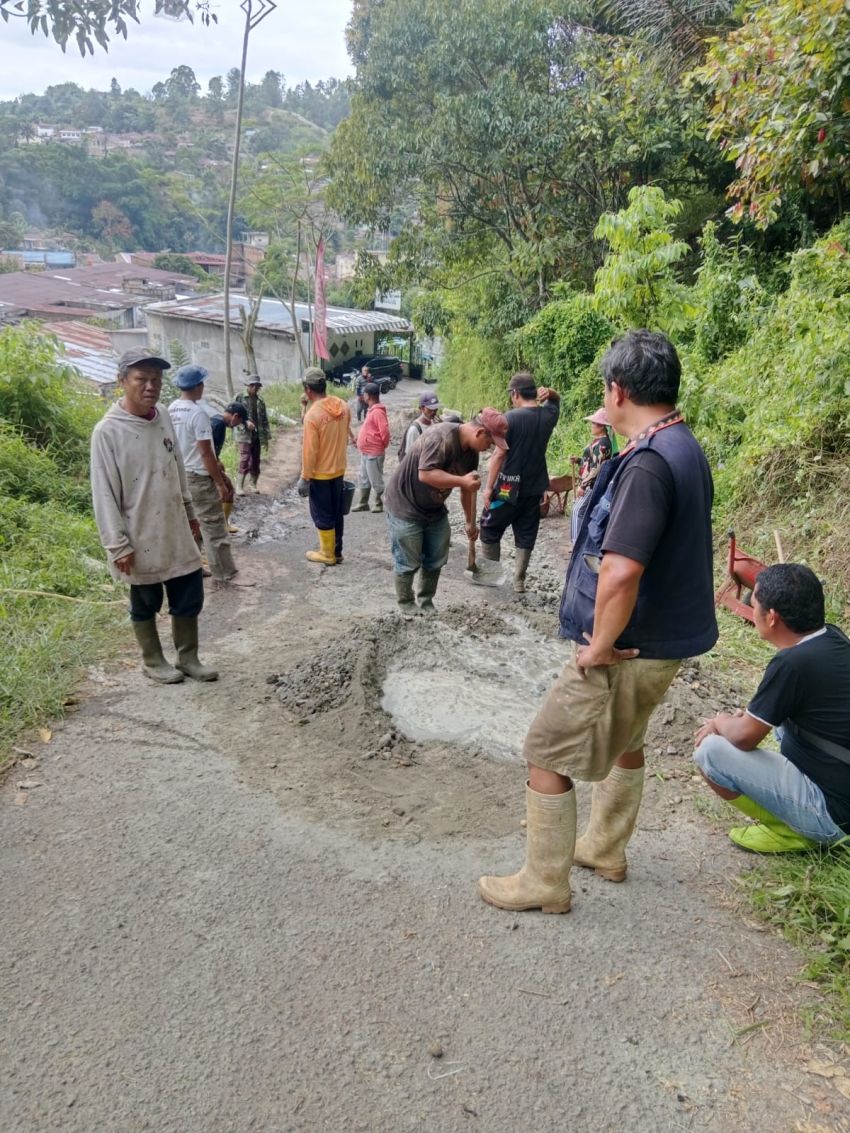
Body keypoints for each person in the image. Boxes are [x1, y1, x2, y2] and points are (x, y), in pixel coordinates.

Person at [478, 329, 717, 914]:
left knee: (545, 750)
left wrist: (598, 647)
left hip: (627, 646)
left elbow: (619, 571)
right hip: (664, 641)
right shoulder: (684, 445)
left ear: (618, 391)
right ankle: (605, 849)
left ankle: (544, 881)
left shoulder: (647, 466)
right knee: (627, 739)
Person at [694, 564, 850, 853]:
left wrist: (720, 721)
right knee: (773, 720)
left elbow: (744, 737)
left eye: (754, 605)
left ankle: (794, 832)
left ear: (772, 617)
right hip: (841, 781)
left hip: (835, 817)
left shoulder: (791, 664)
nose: (751, 611)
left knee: (710, 751)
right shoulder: (832, 637)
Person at [90, 349, 217, 684]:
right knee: (146, 599)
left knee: (190, 591)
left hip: (174, 524)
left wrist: (189, 511)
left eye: (156, 380)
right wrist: (117, 544)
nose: (150, 387)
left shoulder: (161, 415)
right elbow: (103, 494)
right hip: (138, 531)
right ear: (122, 382)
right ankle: (152, 660)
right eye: (141, 379)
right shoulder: (108, 432)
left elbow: (176, 466)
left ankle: (188, 657)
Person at [384, 409, 508, 615]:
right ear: (479, 433)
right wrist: (461, 481)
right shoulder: (439, 437)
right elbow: (425, 474)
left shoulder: (471, 453)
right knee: (408, 559)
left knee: (436, 556)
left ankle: (426, 601)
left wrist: (469, 522)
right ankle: (406, 603)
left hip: (433, 508)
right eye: (491, 442)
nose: (489, 449)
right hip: (404, 504)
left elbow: (468, 489)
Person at [480, 373, 561, 593]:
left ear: (516, 394)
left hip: (508, 486)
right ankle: (519, 580)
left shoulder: (510, 419)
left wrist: (488, 488)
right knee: (526, 531)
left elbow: (498, 455)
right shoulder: (548, 416)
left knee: (490, 527)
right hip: (535, 487)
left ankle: (490, 576)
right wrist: (551, 392)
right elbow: (555, 400)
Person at [168, 365, 244, 588]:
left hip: (178, 475)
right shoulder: (197, 413)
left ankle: (193, 568)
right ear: (198, 386)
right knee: (213, 526)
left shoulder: (171, 409)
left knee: (190, 525)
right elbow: (205, 452)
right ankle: (225, 573)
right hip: (198, 478)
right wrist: (220, 482)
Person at [297, 367, 352, 565]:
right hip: (338, 470)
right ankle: (336, 551)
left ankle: (327, 555)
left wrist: (305, 477)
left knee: (322, 513)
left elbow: (310, 451)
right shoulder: (343, 406)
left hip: (320, 475)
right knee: (337, 512)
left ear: (307, 389)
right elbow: (345, 434)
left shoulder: (313, 416)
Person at [569, 407, 614, 543]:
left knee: (577, 511)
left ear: (601, 426)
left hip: (592, 484)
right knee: (584, 511)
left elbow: (596, 469)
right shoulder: (597, 442)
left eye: (594, 423)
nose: (592, 426)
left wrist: (583, 485)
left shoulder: (603, 444)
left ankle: (576, 542)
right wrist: (578, 460)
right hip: (589, 482)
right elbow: (590, 462)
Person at [351, 382, 391, 513]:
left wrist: (381, 445)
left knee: (376, 479)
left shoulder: (378, 412)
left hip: (374, 452)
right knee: (364, 478)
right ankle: (363, 503)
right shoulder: (371, 410)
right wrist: (360, 439)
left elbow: (384, 431)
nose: (363, 395)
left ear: (368, 395)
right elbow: (369, 429)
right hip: (366, 451)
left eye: (364, 393)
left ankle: (379, 503)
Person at [235, 376, 270, 493]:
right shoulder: (239, 397)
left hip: (257, 435)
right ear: (248, 386)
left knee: (255, 460)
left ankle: (252, 484)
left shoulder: (260, 400)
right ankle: (239, 486)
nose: (255, 388)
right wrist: (245, 423)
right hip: (244, 434)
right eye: (252, 385)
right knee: (245, 458)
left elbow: (264, 419)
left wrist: (266, 438)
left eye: (257, 386)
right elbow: (232, 414)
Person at [398, 392, 441, 460]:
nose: (433, 412)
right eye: (430, 409)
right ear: (422, 408)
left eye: (435, 409)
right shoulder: (414, 430)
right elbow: (409, 457)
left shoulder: (435, 424)